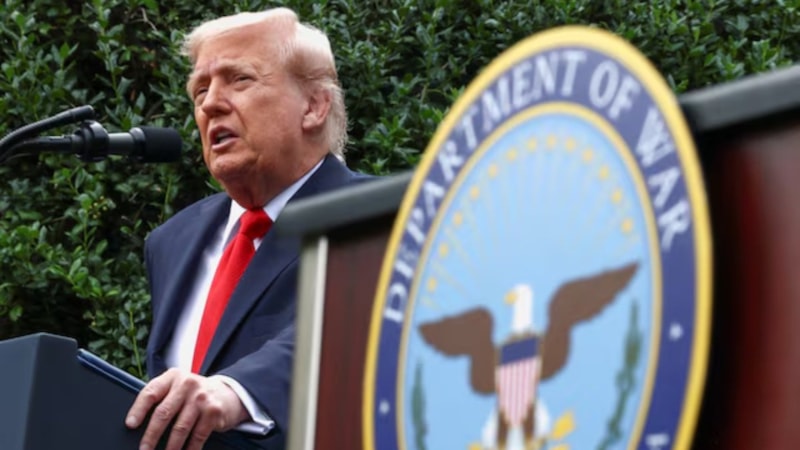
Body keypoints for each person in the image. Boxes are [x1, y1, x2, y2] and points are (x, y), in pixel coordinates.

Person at [125, 7, 366, 450]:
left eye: (239, 79)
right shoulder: (171, 242)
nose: (210, 104)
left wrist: (237, 391)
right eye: (200, 90)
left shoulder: (383, 215)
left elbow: (357, 329)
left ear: (314, 106)